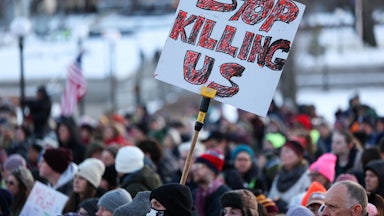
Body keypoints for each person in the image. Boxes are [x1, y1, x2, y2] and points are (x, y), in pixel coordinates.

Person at [268, 140, 311, 213]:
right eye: (282, 151)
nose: (282, 155)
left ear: (298, 155)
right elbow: (271, 195)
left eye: (287, 151)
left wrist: (286, 206)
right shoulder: (279, 174)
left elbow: (305, 202)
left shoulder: (306, 175)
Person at [192, 150, 231, 216]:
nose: (195, 170)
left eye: (200, 166)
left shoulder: (225, 195)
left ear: (212, 171)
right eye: (195, 166)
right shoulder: (194, 194)